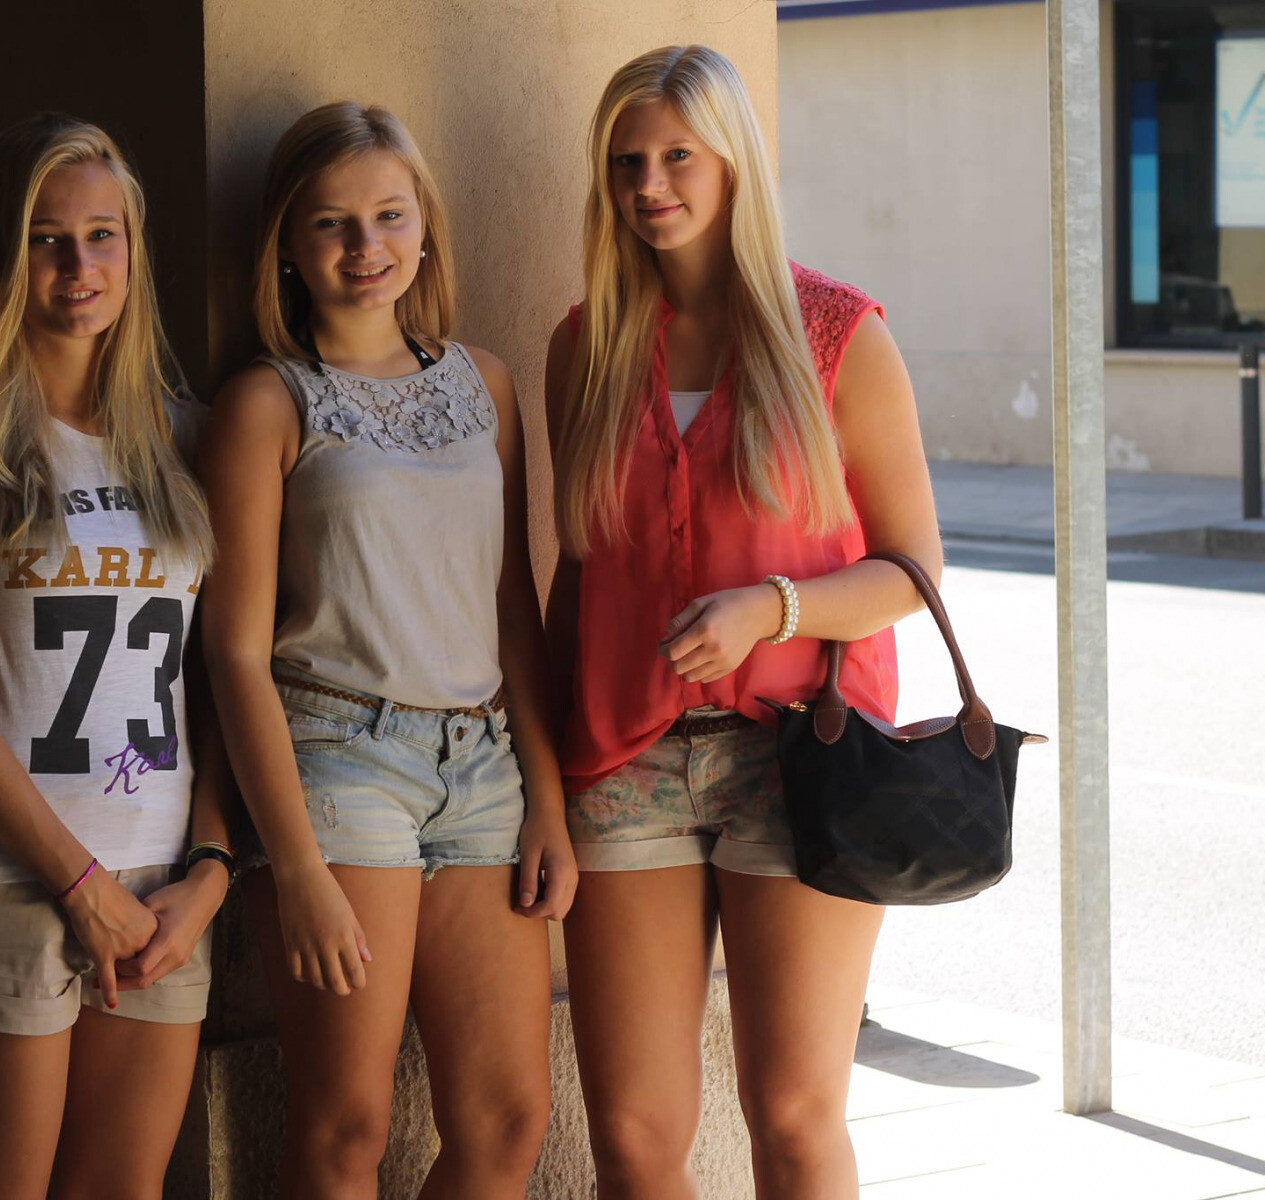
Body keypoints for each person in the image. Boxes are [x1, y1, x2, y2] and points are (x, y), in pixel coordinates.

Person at [543, 46, 943, 1200]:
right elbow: (578, 579)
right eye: (627, 162)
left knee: (794, 1116)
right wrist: (543, 777)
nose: (649, 184)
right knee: (633, 1140)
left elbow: (913, 572)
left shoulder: (838, 336)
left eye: (678, 156)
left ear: (734, 164)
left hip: (804, 758)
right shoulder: (586, 346)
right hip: (622, 763)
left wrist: (773, 608)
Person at [201, 101, 576, 1199]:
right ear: (287, 242)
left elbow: (513, 604)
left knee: (509, 1120)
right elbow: (234, 655)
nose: (365, 246)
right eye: (332, 223)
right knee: (346, 1128)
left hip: (482, 770)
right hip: (336, 765)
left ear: (424, 227)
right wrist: (297, 868)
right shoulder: (265, 402)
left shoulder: (485, 384)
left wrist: (546, 801)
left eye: (389, 216)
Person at [0, 113, 231, 1200]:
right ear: (3, 254)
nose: (79, 265)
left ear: (133, 248)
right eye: (46, 238)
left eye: (101, 236)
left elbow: (221, 686)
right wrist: (77, 883)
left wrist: (210, 874)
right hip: (5, 881)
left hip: (161, 888)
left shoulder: (188, 438)